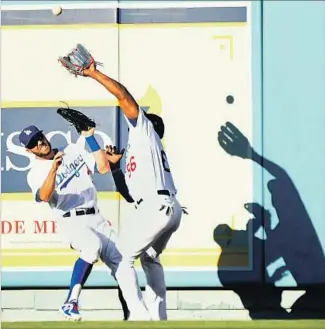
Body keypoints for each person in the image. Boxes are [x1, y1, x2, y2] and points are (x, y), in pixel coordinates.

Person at [80, 63, 184, 321]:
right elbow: (128, 195)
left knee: (121, 257)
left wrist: (94, 73)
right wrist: (116, 168)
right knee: (149, 258)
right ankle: (159, 318)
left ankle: (138, 317)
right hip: (168, 208)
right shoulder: (144, 154)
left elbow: (123, 96)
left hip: (157, 207)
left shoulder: (144, 131)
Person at [19, 125, 129, 321]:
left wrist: (89, 137)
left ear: (44, 134)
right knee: (91, 246)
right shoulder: (34, 173)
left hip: (97, 218)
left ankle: (133, 316)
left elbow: (103, 167)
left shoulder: (71, 149)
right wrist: (53, 169)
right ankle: (70, 302)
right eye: (33, 143)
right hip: (70, 220)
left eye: (39, 136)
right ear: (29, 150)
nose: (39, 142)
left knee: (125, 268)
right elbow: (44, 196)